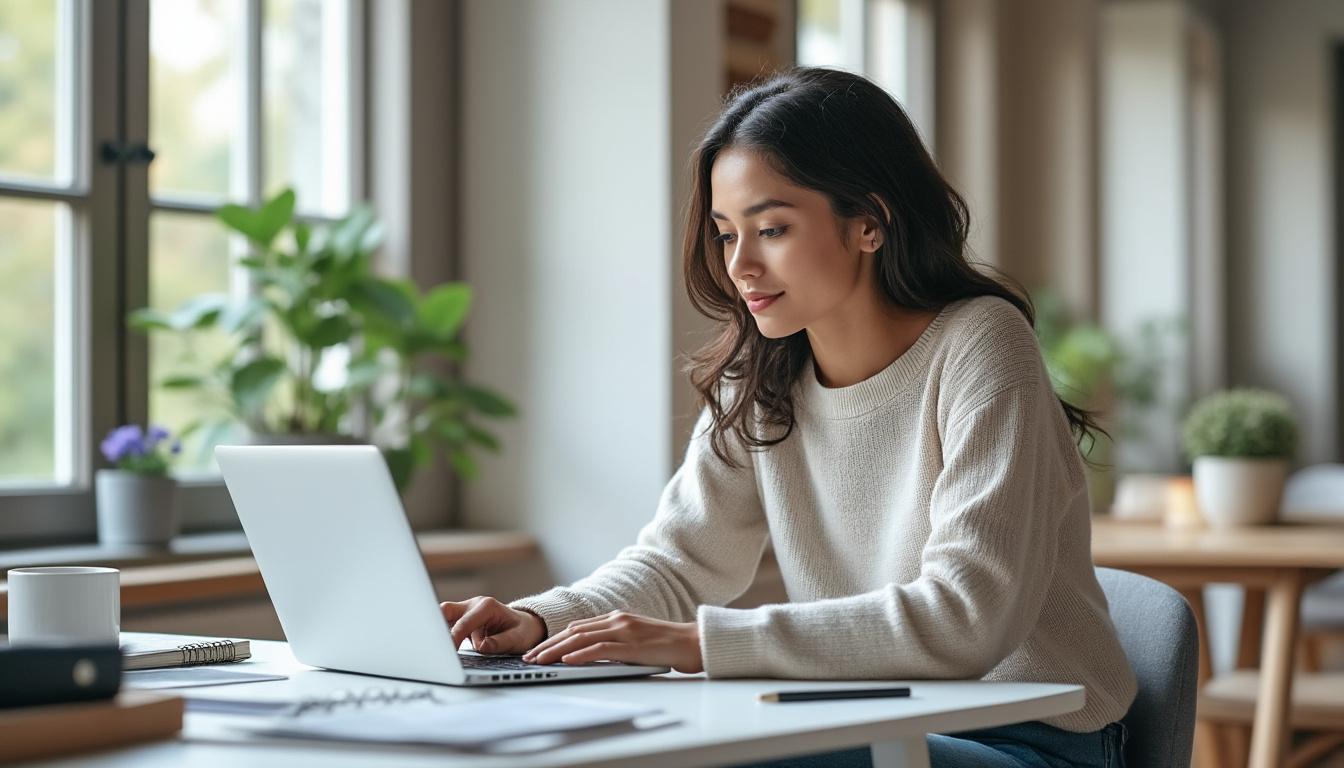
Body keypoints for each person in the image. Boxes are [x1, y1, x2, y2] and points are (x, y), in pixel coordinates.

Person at [440, 67, 1136, 768]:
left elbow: (966, 618)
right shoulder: (763, 370)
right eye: (724, 234)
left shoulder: (980, 342)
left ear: (869, 221)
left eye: (771, 228)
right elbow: (680, 562)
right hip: (876, 718)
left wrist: (699, 645)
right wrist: (542, 620)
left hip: (1030, 739)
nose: (740, 265)